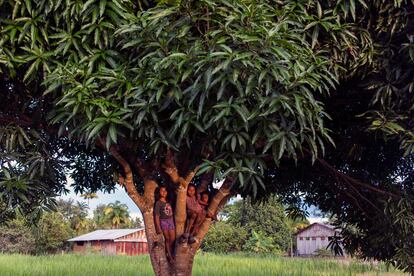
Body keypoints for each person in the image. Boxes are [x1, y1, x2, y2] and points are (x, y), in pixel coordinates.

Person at [154, 186, 175, 262]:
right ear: (159, 192)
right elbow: (156, 216)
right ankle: (169, 256)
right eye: (162, 191)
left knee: (172, 239)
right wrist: (158, 227)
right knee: (167, 239)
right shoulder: (158, 203)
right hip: (163, 222)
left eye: (165, 191)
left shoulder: (169, 201)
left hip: (171, 221)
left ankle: (171, 253)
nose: (164, 192)